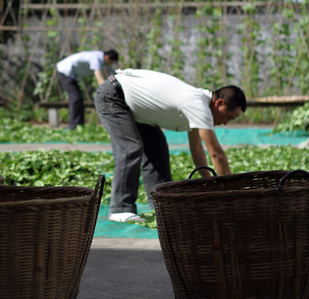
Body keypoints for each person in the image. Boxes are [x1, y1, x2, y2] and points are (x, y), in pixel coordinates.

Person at [94, 68, 247, 223]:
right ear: (219, 103)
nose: (225, 123)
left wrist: (210, 183)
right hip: (114, 96)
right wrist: (229, 192)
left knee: (157, 147)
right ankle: (120, 209)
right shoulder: (198, 105)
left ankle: (161, 206)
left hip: (138, 109)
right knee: (130, 148)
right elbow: (216, 154)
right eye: (228, 117)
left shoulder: (198, 107)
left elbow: (197, 149)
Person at [56, 49, 119, 129]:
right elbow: (99, 77)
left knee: (79, 99)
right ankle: (73, 126)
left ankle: (80, 124)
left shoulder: (99, 58)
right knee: (75, 98)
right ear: (107, 57)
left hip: (71, 75)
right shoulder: (95, 58)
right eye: (110, 62)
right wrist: (107, 91)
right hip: (64, 72)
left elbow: (104, 74)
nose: (108, 65)